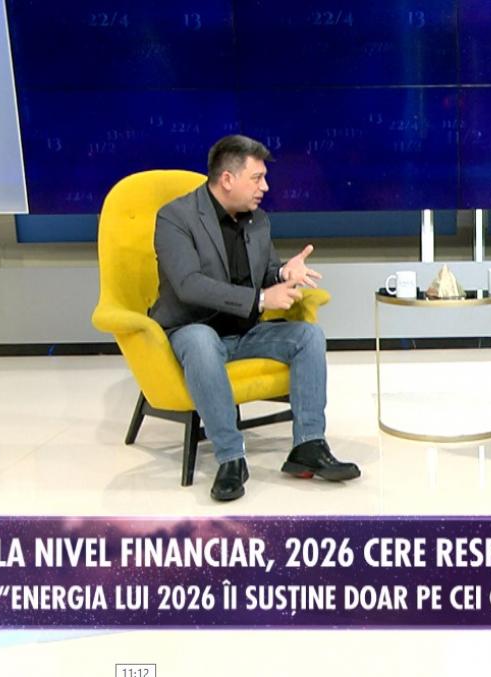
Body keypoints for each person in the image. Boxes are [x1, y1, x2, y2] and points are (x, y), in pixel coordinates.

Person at [150, 134, 360, 502]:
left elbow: (264, 272)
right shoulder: (175, 217)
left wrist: (282, 273)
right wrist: (262, 298)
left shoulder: (257, 220)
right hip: (194, 328)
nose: (265, 187)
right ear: (227, 179)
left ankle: (308, 445)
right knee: (200, 341)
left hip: (243, 331)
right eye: (257, 178)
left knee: (308, 336)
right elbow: (188, 285)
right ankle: (231, 458)